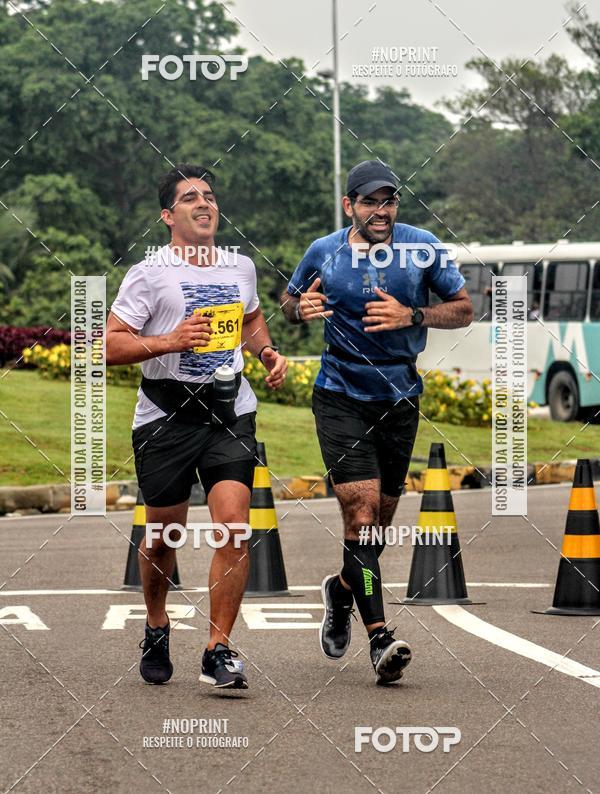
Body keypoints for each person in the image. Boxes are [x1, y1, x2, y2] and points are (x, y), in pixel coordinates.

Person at [280, 160, 473, 685]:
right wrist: (301, 308)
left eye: (388, 201)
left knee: (379, 525)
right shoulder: (325, 251)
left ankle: (341, 592)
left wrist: (412, 315)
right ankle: (381, 638)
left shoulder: (422, 246)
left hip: (400, 396)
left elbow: (463, 308)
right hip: (340, 396)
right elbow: (289, 302)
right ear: (350, 206)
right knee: (362, 515)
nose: (381, 211)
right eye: (369, 202)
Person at [107, 163, 287, 690]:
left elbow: (251, 318)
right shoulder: (149, 272)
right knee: (164, 534)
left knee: (234, 527)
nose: (204, 203)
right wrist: (169, 341)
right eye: (190, 198)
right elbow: (112, 344)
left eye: (209, 195)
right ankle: (158, 624)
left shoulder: (239, 267)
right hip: (165, 418)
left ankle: (218, 649)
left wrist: (267, 350)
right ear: (168, 215)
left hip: (229, 414)